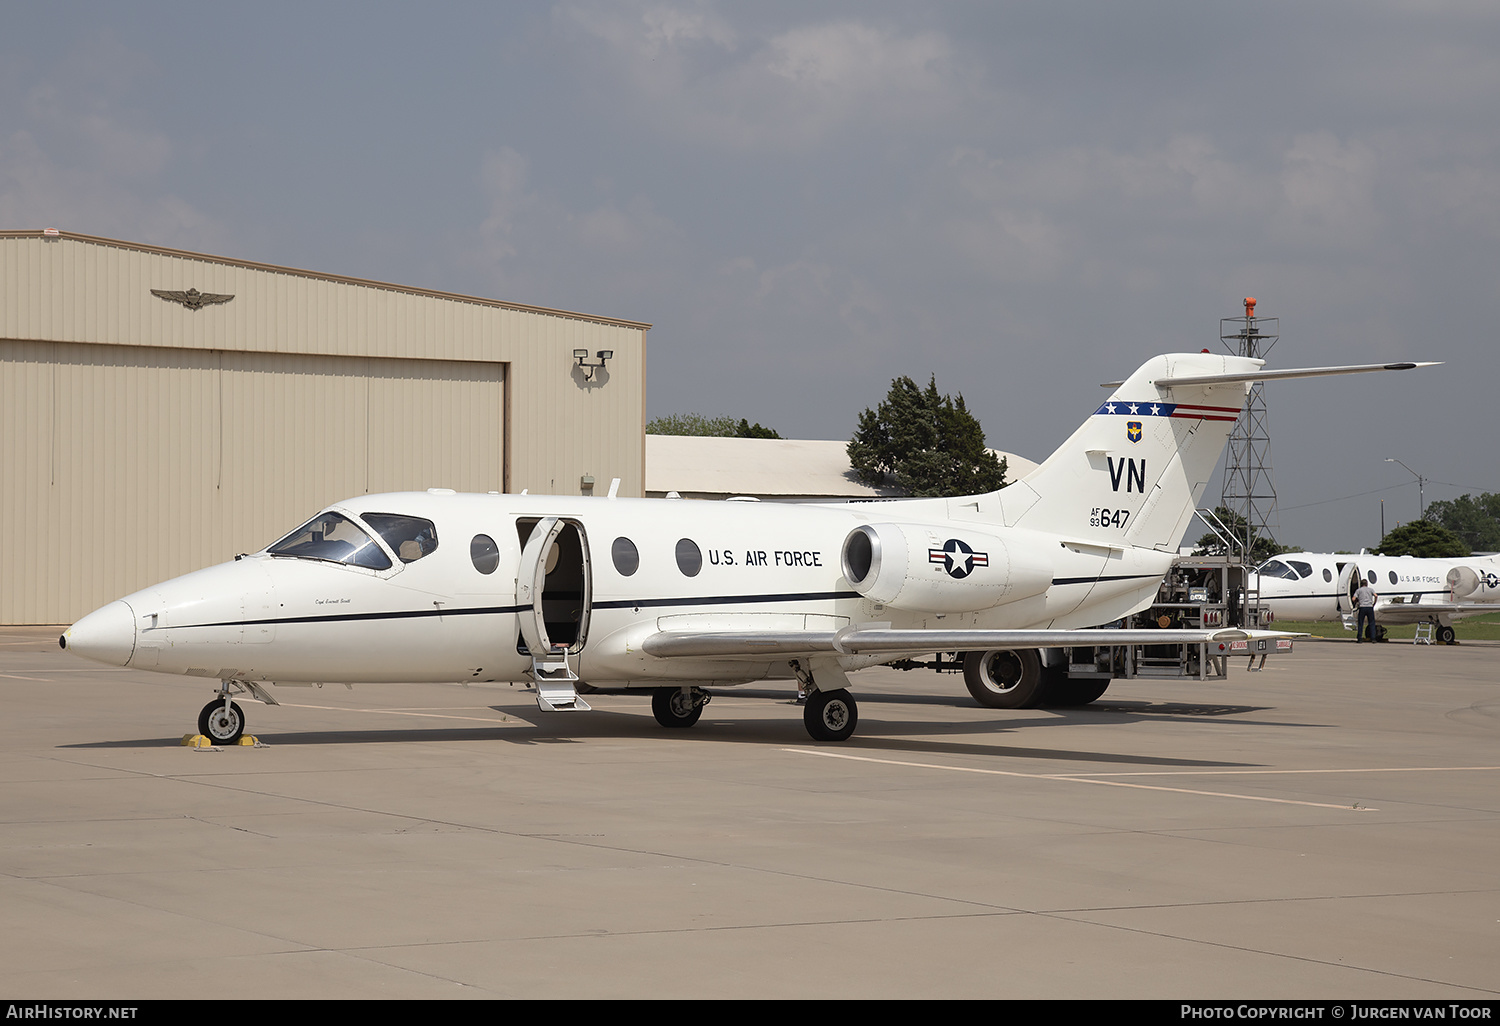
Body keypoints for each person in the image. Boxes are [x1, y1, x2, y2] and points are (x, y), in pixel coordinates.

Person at [1353, 578, 1379, 642]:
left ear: (1361, 584)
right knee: (1372, 623)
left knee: (1361, 623)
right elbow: (1376, 596)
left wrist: (1357, 601)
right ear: (1367, 584)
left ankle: (1359, 638)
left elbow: (1353, 599)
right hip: (1370, 607)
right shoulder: (1371, 590)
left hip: (1362, 607)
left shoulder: (1358, 590)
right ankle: (1373, 638)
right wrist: (1374, 603)